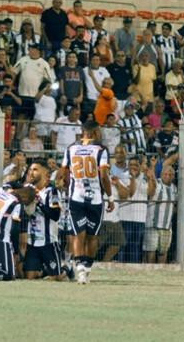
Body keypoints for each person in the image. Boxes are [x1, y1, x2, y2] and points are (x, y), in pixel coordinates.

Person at [59, 121, 114, 284]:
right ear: (94, 132)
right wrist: (110, 197)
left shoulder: (70, 148)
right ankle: (87, 269)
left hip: (76, 197)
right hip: (95, 198)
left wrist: (67, 185)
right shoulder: (101, 150)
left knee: (78, 235)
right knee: (92, 236)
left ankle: (80, 270)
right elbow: (104, 176)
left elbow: (64, 172)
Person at [23, 159, 70, 281]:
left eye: (35, 170)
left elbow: (55, 215)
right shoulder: (28, 189)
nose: (31, 172)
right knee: (30, 277)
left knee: (57, 278)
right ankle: (44, 270)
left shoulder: (52, 192)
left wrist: (39, 202)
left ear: (45, 173)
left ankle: (66, 270)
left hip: (48, 242)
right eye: (30, 169)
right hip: (32, 242)